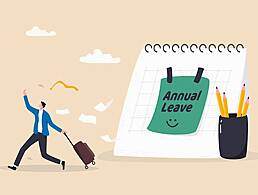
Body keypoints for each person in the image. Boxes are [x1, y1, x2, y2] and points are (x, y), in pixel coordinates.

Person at [8, 89, 66, 171]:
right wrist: (25, 96)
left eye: (40, 104)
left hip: (43, 135)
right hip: (36, 134)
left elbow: (51, 124)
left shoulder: (46, 115)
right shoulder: (36, 112)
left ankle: (61, 162)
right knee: (23, 148)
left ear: (42, 106)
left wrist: (61, 130)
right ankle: (15, 166)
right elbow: (28, 106)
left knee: (44, 155)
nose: (38, 105)